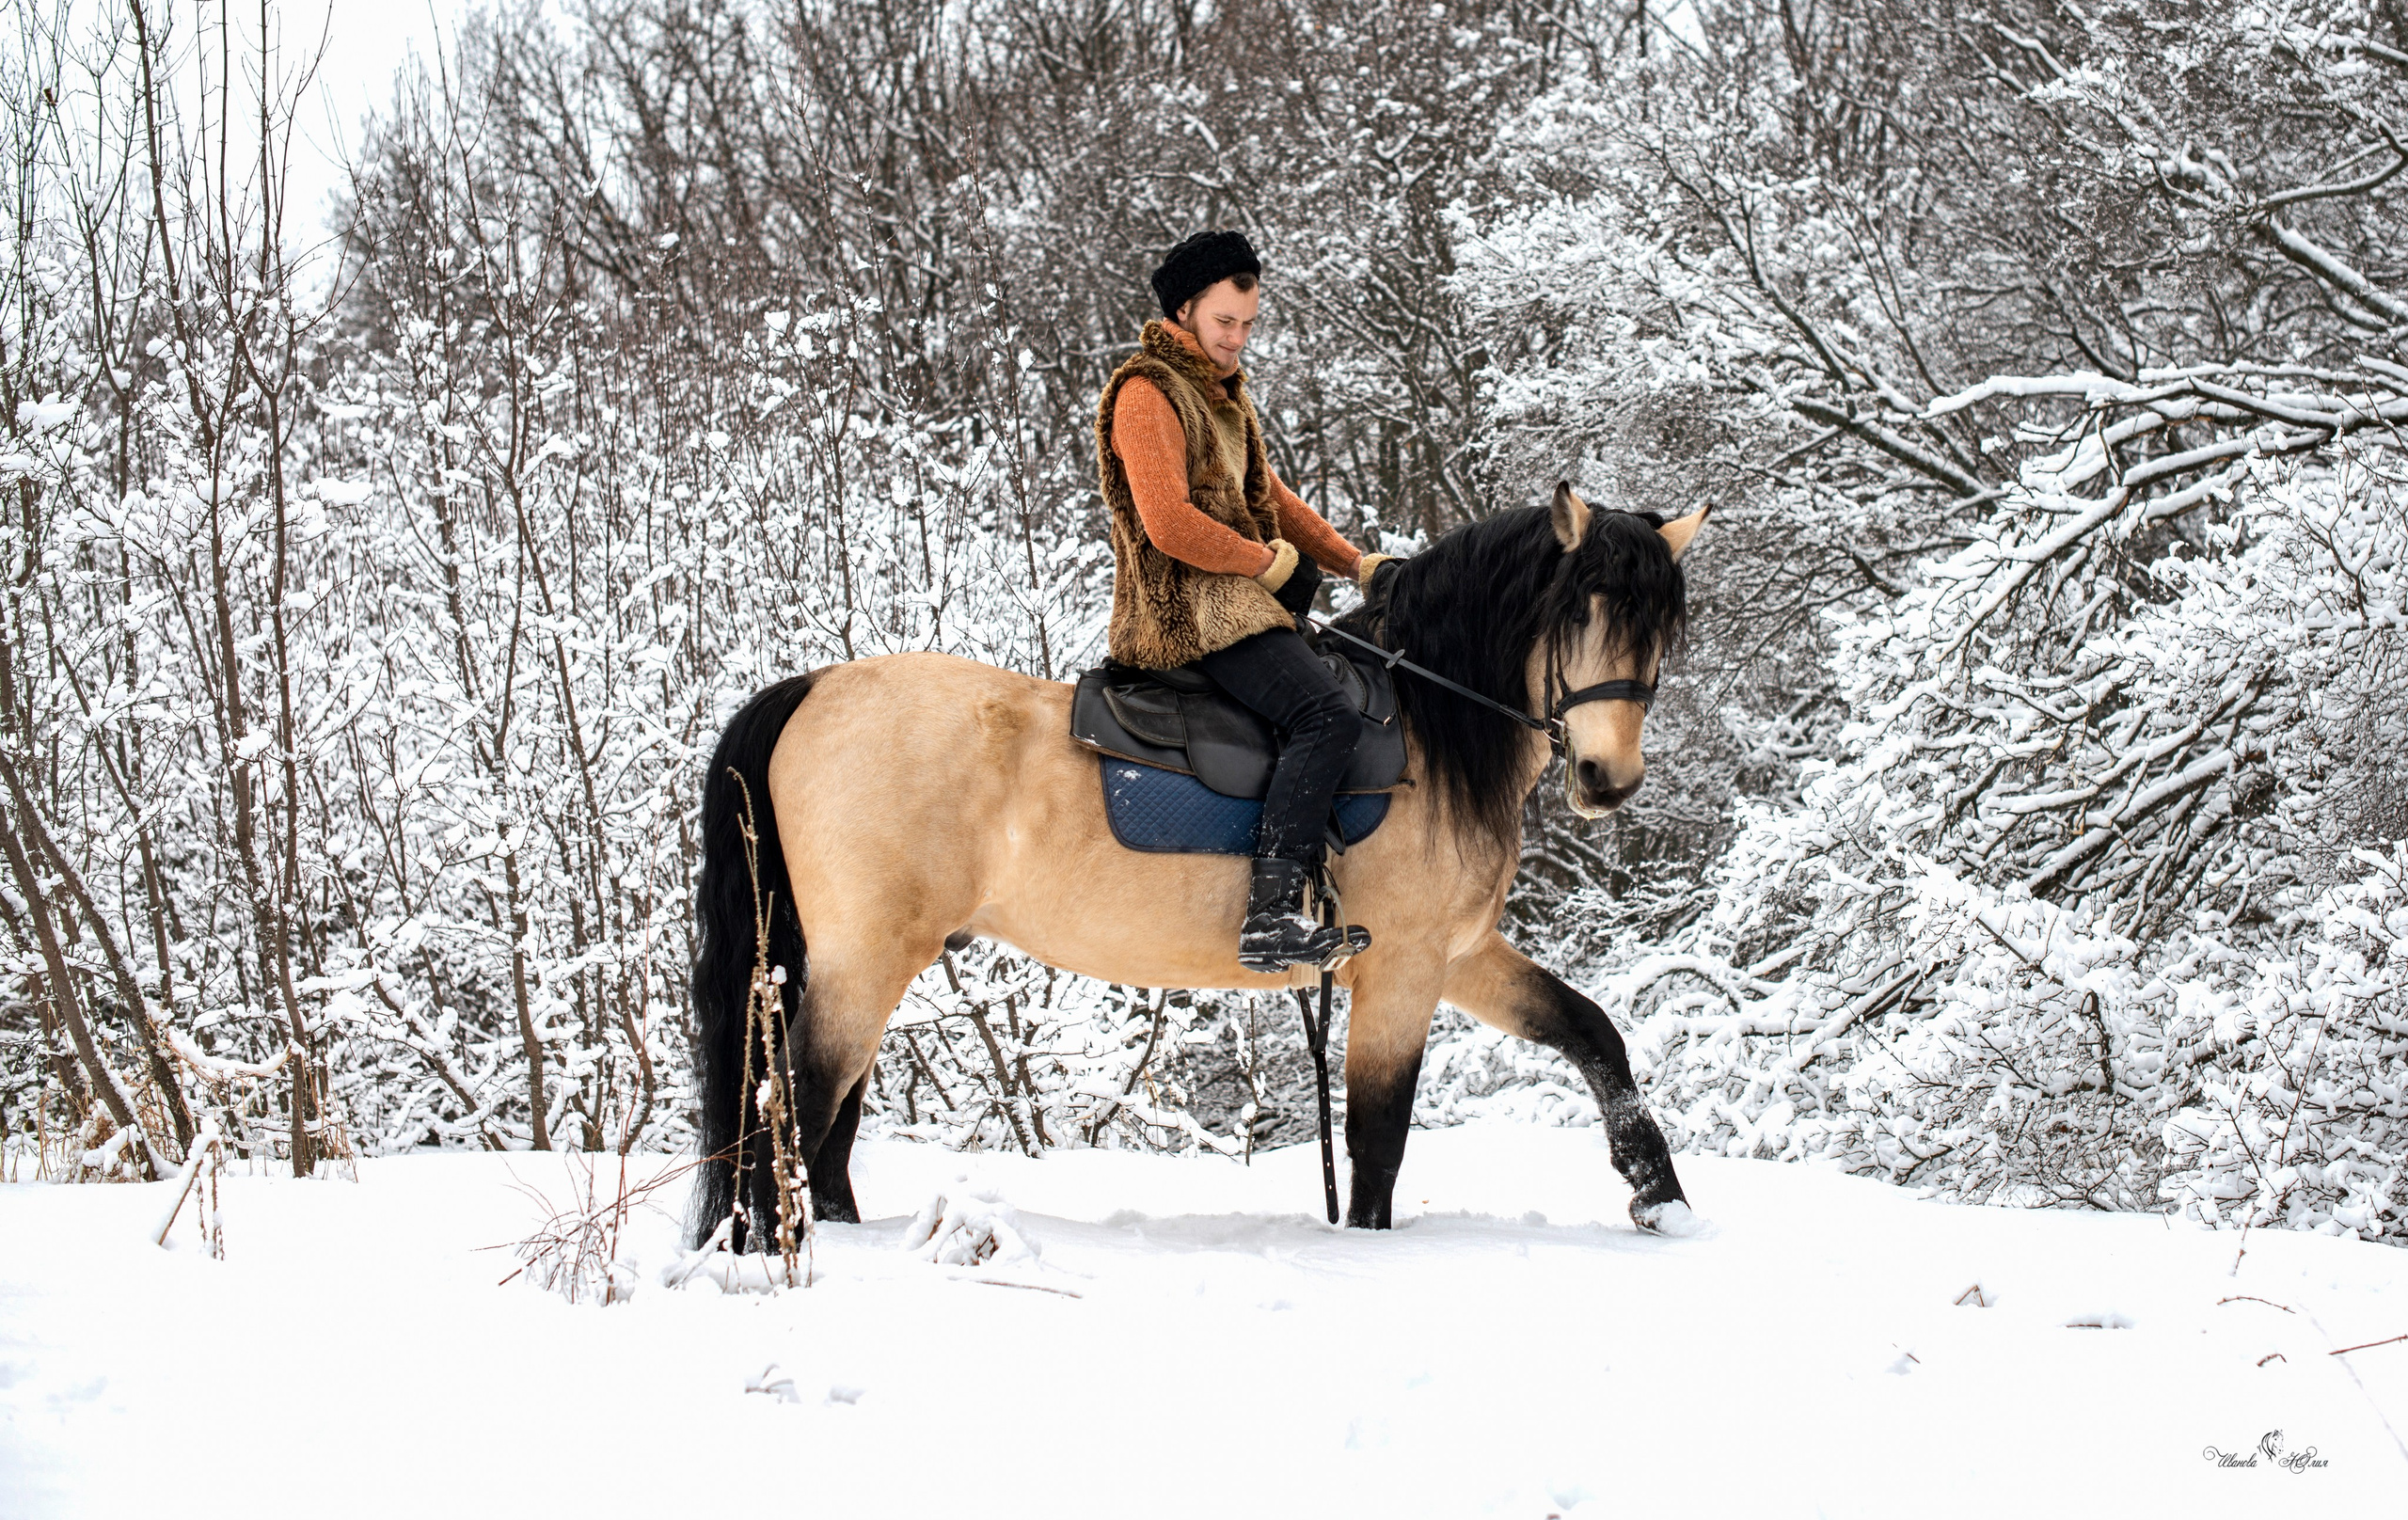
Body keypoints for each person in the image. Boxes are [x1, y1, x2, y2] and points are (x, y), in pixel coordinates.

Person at [1093, 230, 1396, 974]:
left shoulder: (1224, 396)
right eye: (1225, 322)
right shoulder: (1146, 392)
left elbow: (1272, 499)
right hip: (1185, 612)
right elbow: (1166, 524)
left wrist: (1358, 564)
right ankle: (1269, 917)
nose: (1237, 338)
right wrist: (1266, 566)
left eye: (1248, 325)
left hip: (1237, 599)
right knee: (1325, 713)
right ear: (1186, 310)